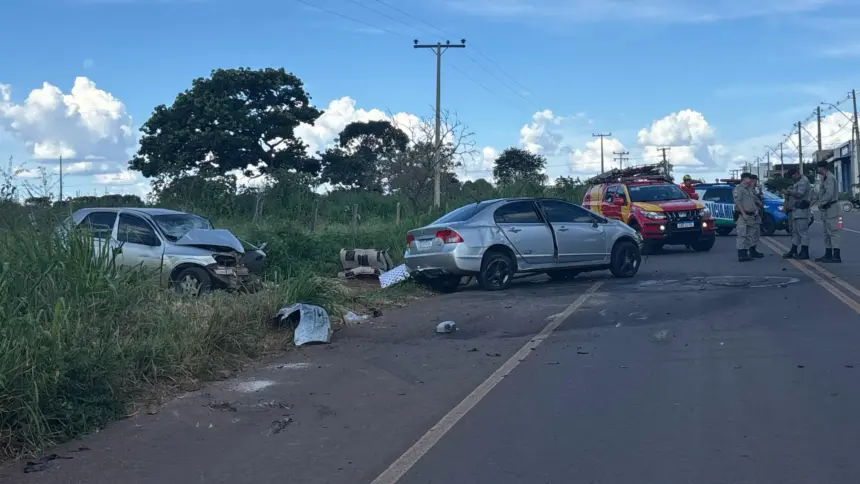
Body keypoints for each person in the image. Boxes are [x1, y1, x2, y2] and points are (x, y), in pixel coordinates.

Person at [781, 168, 811, 260]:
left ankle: (805, 252)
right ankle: (794, 250)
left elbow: (799, 194)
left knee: (802, 232)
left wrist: (788, 192)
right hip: (796, 210)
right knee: (795, 232)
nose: (792, 178)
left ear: (797, 174)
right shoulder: (798, 181)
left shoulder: (803, 181)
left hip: (802, 210)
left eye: (792, 176)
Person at [815, 161, 842, 263]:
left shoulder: (830, 178)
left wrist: (820, 203)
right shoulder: (824, 178)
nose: (817, 170)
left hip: (831, 208)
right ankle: (828, 254)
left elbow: (829, 194)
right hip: (826, 209)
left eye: (818, 168)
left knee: (834, 232)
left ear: (822, 168)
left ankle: (836, 255)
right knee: (826, 233)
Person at [733, 173, 760, 262]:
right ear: (744, 179)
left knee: (749, 235)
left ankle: (746, 252)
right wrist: (743, 213)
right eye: (749, 178)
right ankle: (741, 254)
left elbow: (753, 201)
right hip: (742, 216)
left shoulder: (749, 189)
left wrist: (756, 209)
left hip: (751, 215)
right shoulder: (738, 189)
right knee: (742, 235)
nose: (750, 180)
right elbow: (738, 202)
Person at [748, 174, 764, 257]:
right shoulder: (749, 189)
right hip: (753, 213)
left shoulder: (754, 189)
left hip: (757, 213)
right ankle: (752, 250)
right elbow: (753, 200)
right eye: (754, 180)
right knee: (754, 233)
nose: (756, 182)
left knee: (756, 233)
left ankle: (753, 249)